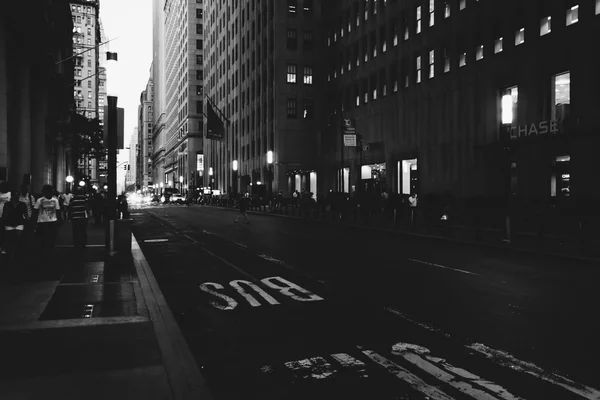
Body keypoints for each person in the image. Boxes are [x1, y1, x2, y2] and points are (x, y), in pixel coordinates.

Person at [1, 190, 28, 259]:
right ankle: (11, 255)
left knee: (17, 239)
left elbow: (25, 214)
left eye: (18, 195)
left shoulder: (22, 204)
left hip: (19, 223)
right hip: (9, 223)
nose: (17, 196)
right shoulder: (7, 204)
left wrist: (27, 220)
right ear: (12, 196)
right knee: (10, 239)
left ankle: (15, 255)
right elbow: (4, 214)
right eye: (16, 195)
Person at [0, 181, 11, 255]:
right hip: (0, 215)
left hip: (7, 216)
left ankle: (5, 247)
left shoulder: (10, 194)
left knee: (6, 232)